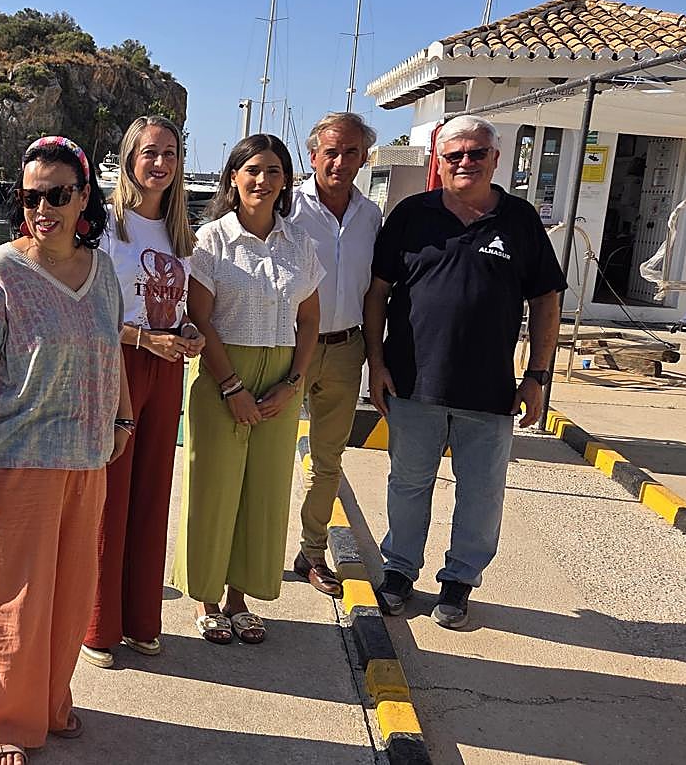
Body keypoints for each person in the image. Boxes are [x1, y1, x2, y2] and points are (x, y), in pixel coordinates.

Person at [0, 136, 133, 765]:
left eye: (58, 195)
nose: (44, 208)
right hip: (17, 459)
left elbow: (111, 350)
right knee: (8, 599)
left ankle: (51, 702)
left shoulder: (102, 269)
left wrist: (125, 418)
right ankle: (2, 721)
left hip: (86, 459)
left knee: (69, 595)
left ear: (84, 196)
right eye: (31, 197)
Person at [364, 114, 565, 629]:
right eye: (454, 155)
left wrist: (538, 376)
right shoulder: (412, 215)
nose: (465, 163)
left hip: (490, 388)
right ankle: (400, 571)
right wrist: (377, 364)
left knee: (481, 492)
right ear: (439, 160)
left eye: (476, 153)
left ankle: (459, 581)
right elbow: (378, 293)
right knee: (408, 484)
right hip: (412, 382)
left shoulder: (520, 221)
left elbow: (547, 298)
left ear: (496, 159)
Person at [172, 133, 323, 645]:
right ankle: (208, 599)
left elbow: (309, 320)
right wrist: (232, 386)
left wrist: (295, 383)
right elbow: (199, 317)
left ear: (286, 182)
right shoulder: (210, 240)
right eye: (252, 170)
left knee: (264, 490)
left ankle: (240, 597)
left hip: (281, 376)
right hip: (221, 372)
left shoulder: (300, 246)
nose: (263, 180)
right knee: (212, 489)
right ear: (233, 178)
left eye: (274, 171)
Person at [81, 116, 205, 669]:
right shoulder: (106, 226)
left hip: (167, 364)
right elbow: (90, 310)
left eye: (171, 153)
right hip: (119, 363)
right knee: (111, 494)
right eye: (150, 152)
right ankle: (98, 626)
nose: (161, 163)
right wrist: (142, 338)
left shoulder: (182, 233)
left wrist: (187, 334)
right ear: (130, 158)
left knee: (155, 493)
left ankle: (141, 621)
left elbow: (177, 307)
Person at [289, 112, 381, 598]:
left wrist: (374, 356)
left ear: (364, 157)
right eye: (331, 152)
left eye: (350, 153)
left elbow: (374, 293)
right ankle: (252, 551)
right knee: (270, 456)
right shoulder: (289, 208)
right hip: (290, 348)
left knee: (328, 461)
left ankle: (313, 552)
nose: (340, 162)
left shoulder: (372, 216)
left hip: (347, 350)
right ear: (313, 156)